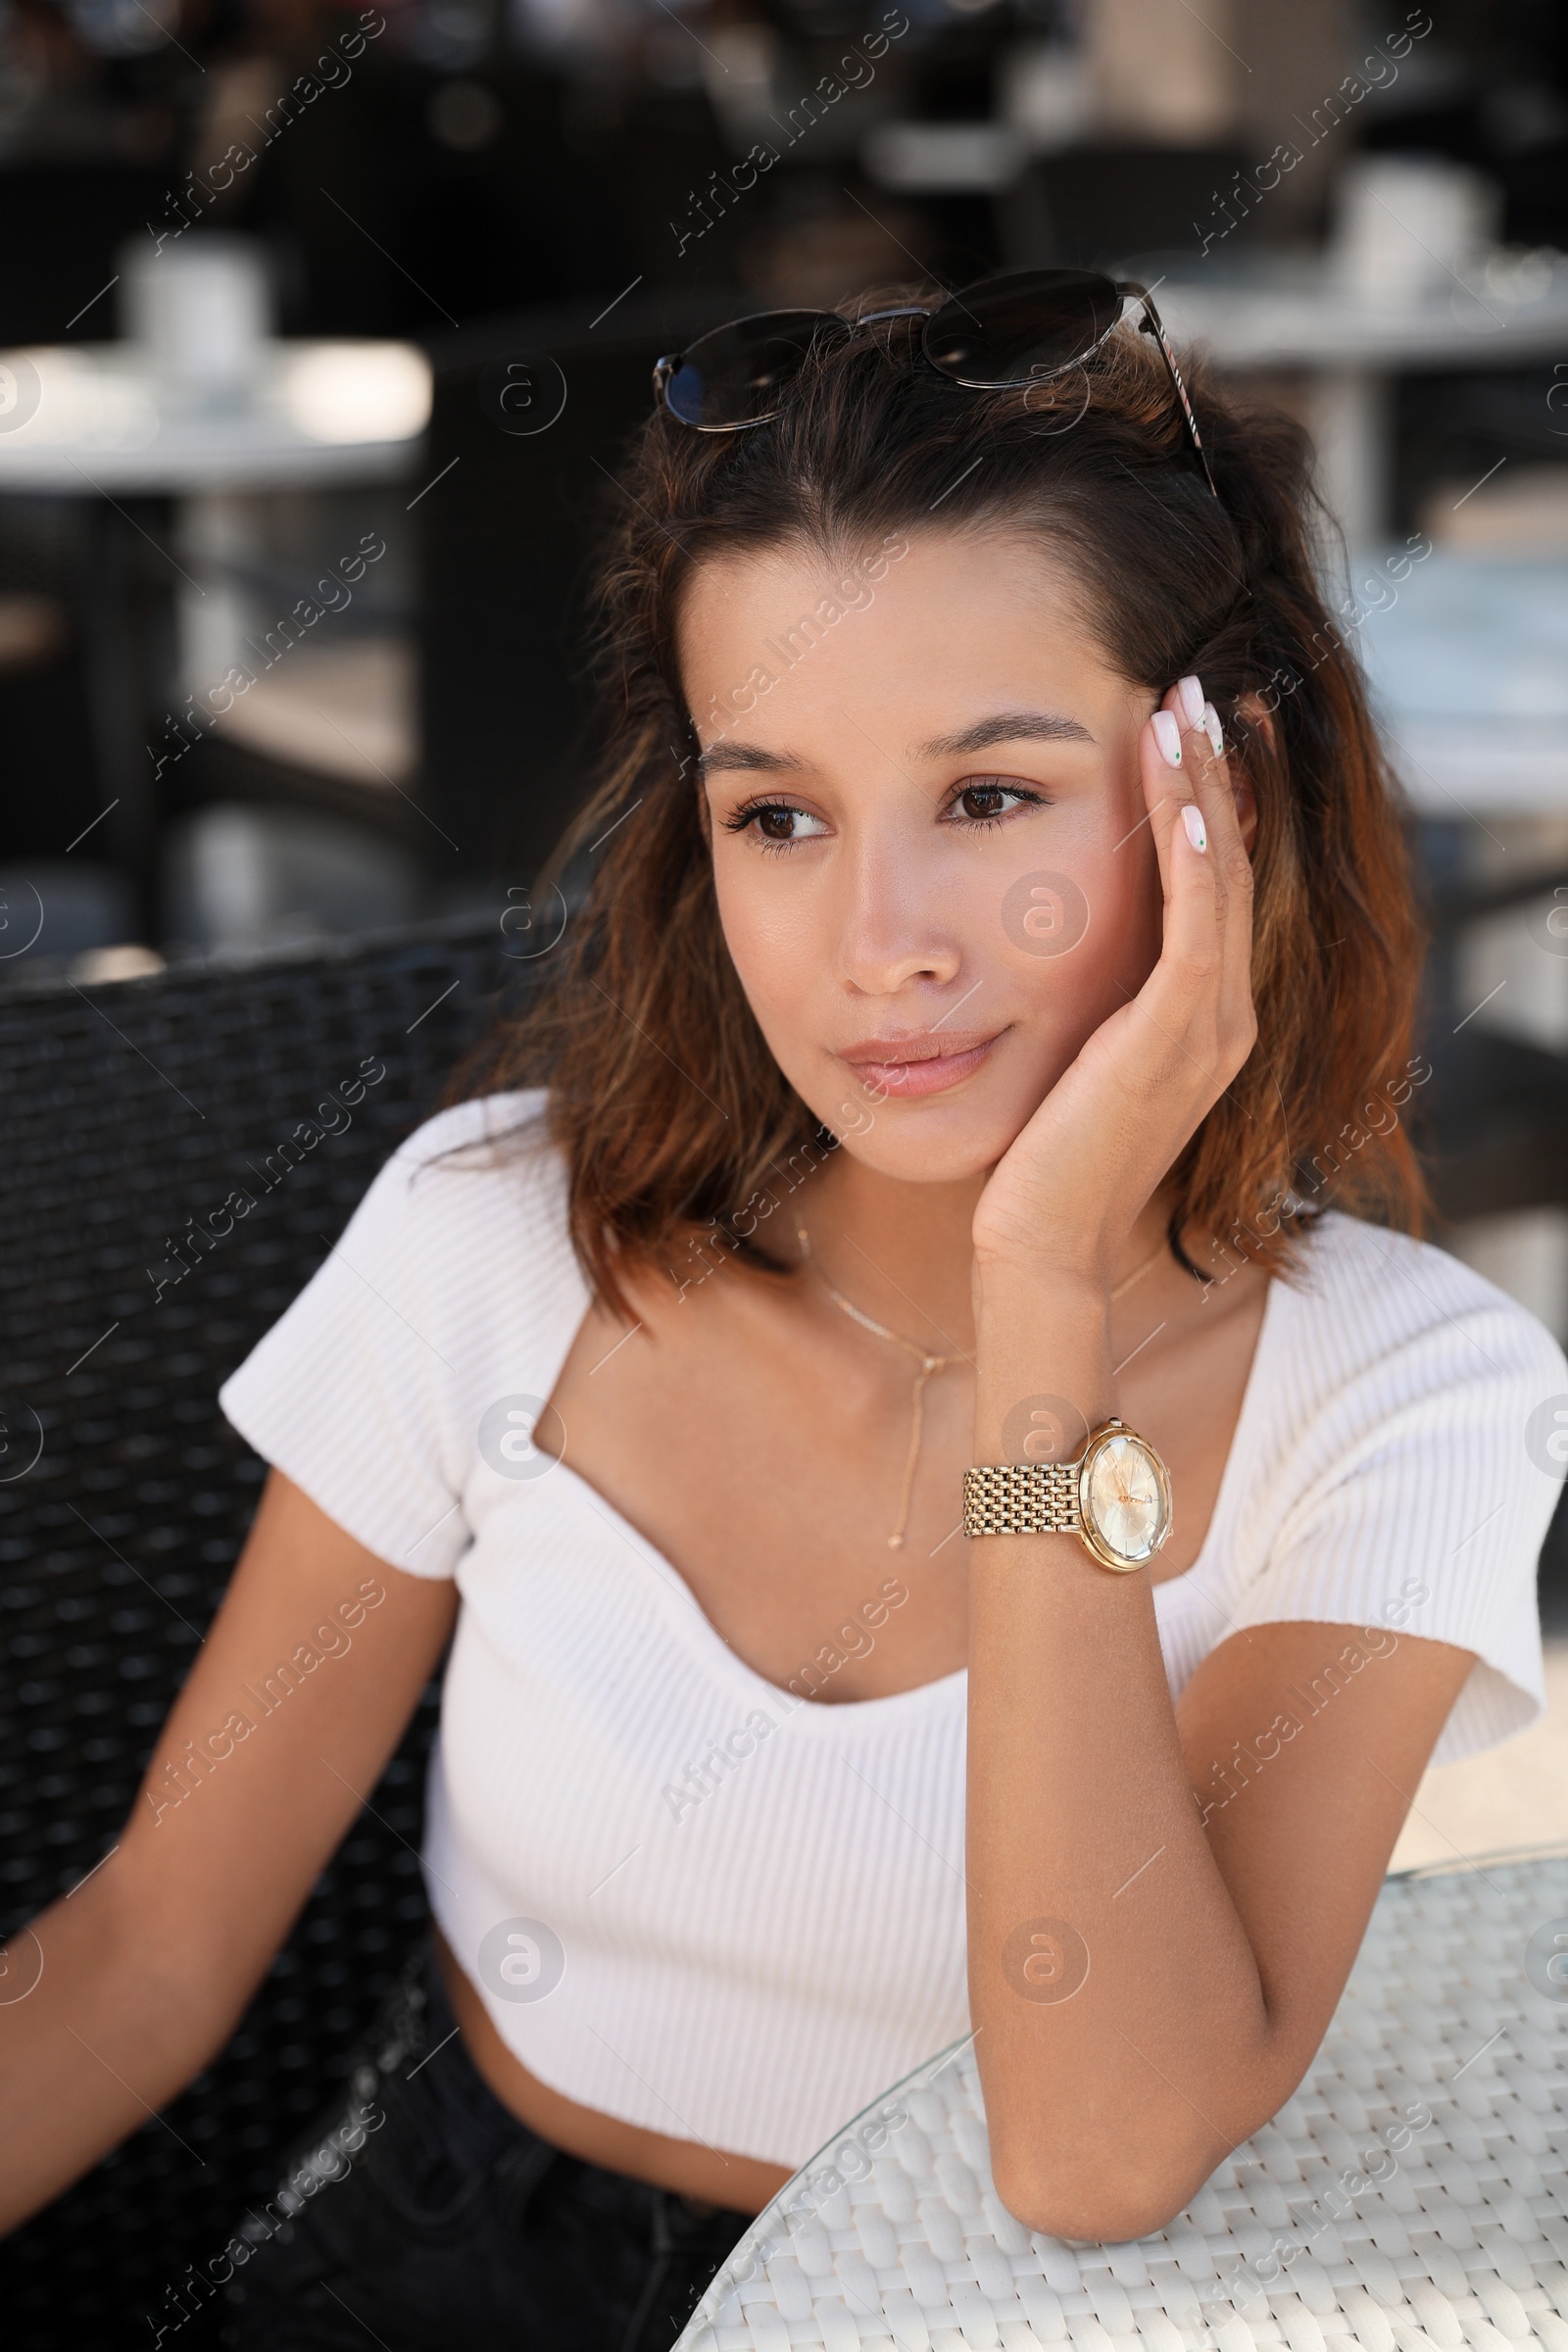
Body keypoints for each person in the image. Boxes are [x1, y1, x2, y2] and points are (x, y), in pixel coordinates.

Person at [4, 270, 1563, 2350]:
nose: (874, 948)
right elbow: (148, 1955)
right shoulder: (502, 1245)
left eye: (989, 796)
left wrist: (1040, 1321)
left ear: (1226, 804)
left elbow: (1098, 2151)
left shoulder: (1406, 1396)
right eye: (778, 816)